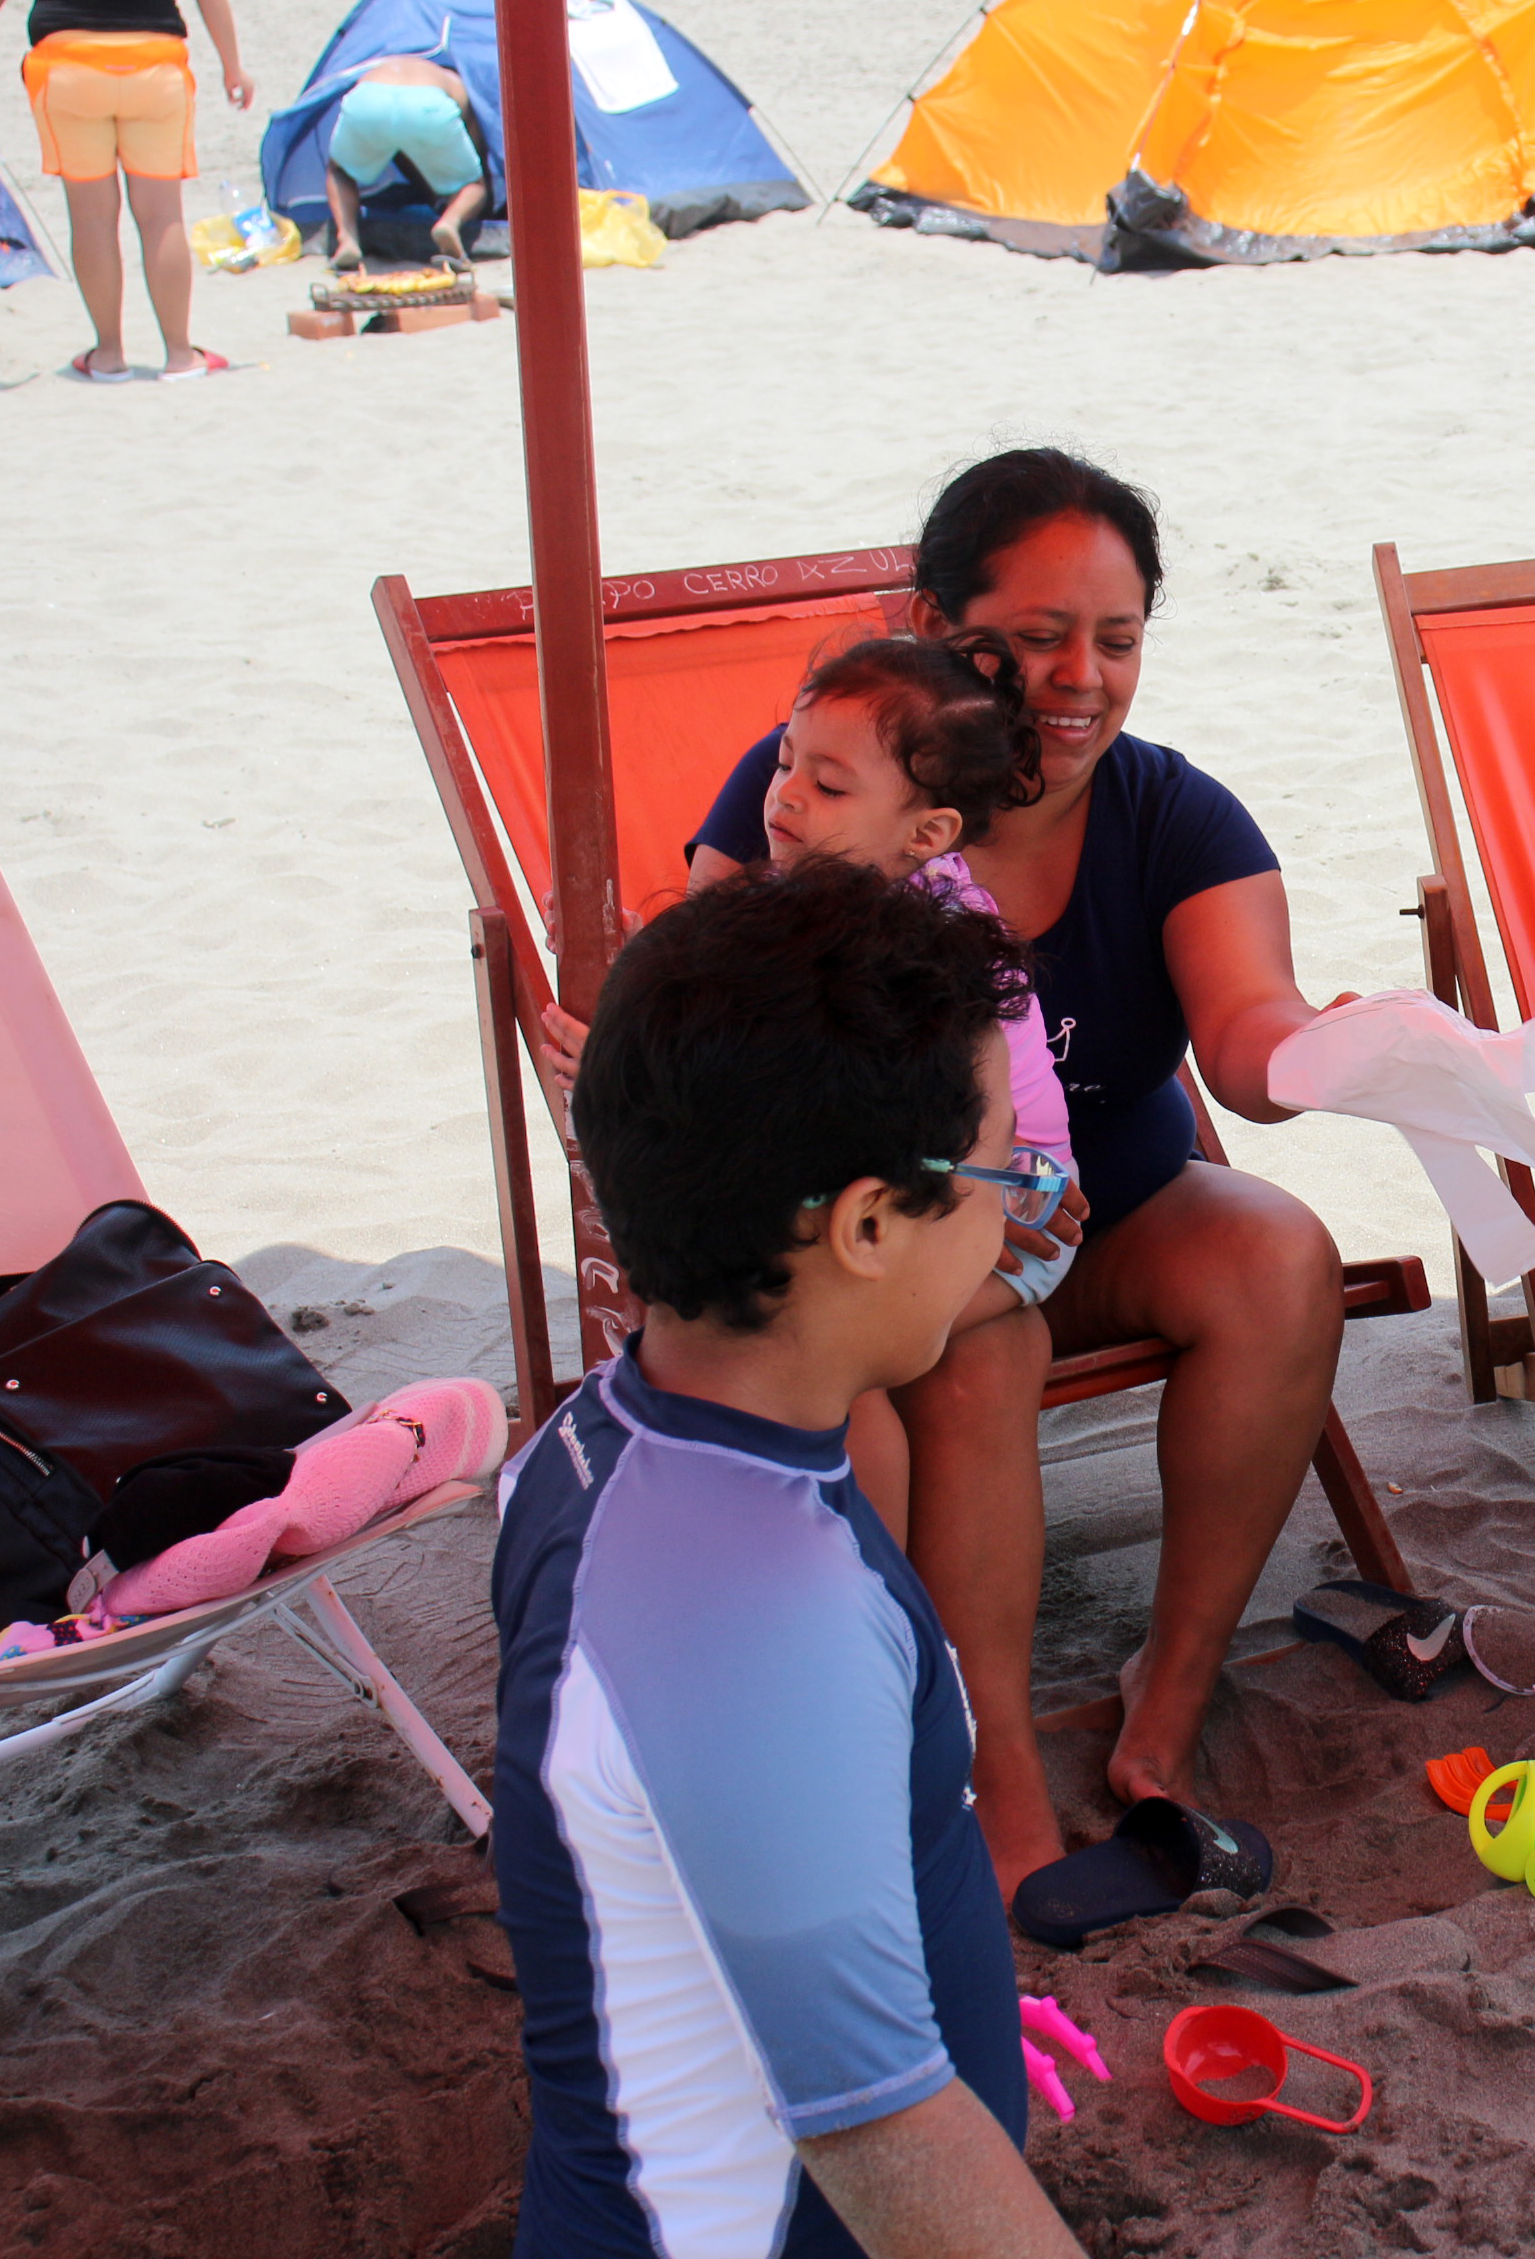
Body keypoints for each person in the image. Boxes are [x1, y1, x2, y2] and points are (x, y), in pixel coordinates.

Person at [648, 449, 1352, 1914]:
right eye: (1038, 638)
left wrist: (1355, 1053)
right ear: (939, 624)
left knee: (1281, 1254)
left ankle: (1166, 1707)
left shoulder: (1173, 816)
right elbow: (698, 1017)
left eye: (1119, 636)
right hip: (880, 1250)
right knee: (980, 1351)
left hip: (1092, 1215)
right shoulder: (818, 788)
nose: (1082, 678)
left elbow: (1245, 1040)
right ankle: (1000, 1792)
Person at [498, 860, 1084, 2259]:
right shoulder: (756, 1623)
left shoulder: (603, 1446)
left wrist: (938, 1967)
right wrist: (913, 2049)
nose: (1025, 1207)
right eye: (1009, 1173)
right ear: (873, 1226)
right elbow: (885, 2141)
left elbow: (680, 1864)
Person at [534, 632, 1087, 1535]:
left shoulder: (910, 944)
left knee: (828, 1373)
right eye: (784, 761)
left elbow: (772, 1058)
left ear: (929, 834)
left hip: (1007, 1216)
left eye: (828, 787)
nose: (785, 794)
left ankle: (857, 1567)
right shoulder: (835, 905)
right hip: (923, 1191)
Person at [0, 0, 253, 382]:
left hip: (68, 66)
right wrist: (232, 66)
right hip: (153, 64)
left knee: (92, 217)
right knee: (162, 217)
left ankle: (110, 355)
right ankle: (179, 354)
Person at [318, 51, 485, 269]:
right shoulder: (454, 80)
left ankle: (347, 238)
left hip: (369, 99)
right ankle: (449, 222)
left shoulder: (381, 66)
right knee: (474, 184)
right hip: (428, 104)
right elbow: (475, 150)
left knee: (340, 171)